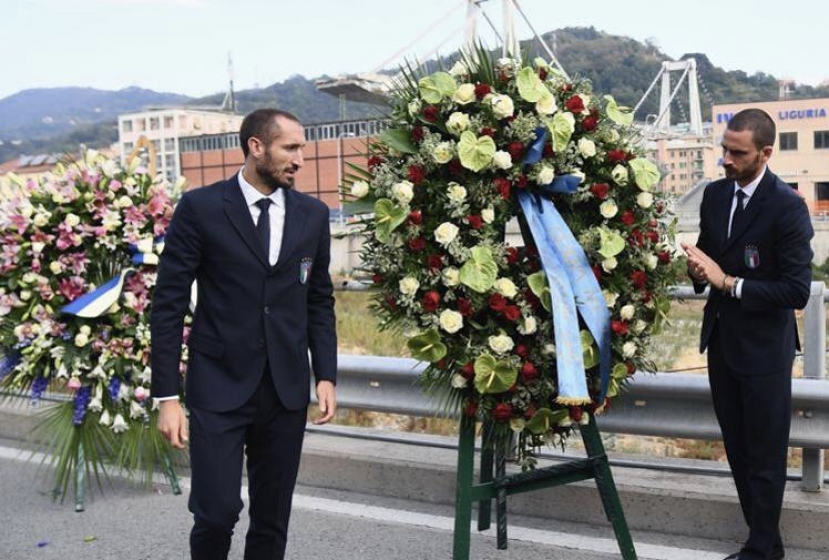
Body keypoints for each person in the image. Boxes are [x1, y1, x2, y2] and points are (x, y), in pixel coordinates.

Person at [150, 108, 338, 560]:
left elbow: (319, 300)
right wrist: (167, 397)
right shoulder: (201, 208)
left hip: (285, 390)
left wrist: (325, 374)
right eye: (289, 148)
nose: (299, 159)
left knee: (272, 520)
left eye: (302, 149)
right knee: (215, 513)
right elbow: (169, 305)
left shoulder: (312, 216)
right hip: (218, 386)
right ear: (256, 147)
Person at [682, 108, 813, 560]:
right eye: (724, 149)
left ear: (765, 153)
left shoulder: (788, 207)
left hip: (764, 351)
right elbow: (710, 258)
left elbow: (797, 291)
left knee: (765, 454)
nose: (726, 160)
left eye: (737, 153)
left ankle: (760, 550)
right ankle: (764, 546)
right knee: (738, 449)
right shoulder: (716, 196)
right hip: (721, 343)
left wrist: (728, 283)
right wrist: (696, 268)